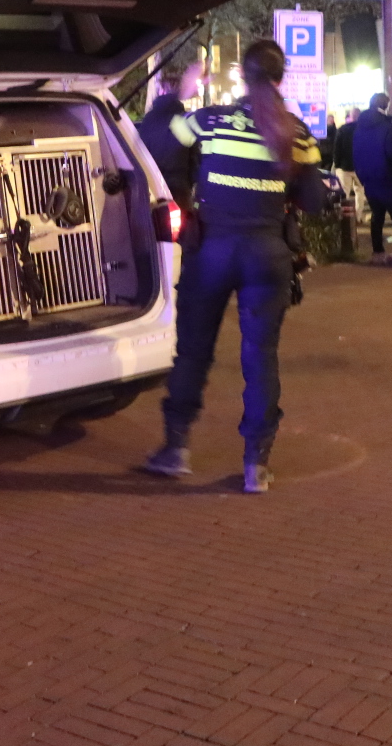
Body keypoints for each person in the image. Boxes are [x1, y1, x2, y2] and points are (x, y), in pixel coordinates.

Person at [145, 40, 328, 492]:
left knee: (194, 351)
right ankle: (256, 466)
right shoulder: (297, 134)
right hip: (267, 256)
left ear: (242, 77)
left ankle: (176, 449)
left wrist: (175, 96)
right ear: (280, 78)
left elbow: (159, 142)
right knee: (260, 357)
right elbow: (317, 201)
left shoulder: (209, 120)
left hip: (213, 251)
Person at [139, 59, 203, 209]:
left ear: (161, 90)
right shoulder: (183, 120)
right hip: (180, 191)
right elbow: (195, 159)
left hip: (154, 190)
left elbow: (140, 153)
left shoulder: (149, 120)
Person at [352, 92, 392, 266]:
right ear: (386, 105)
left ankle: (378, 253)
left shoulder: (360, 127)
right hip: (386, 177)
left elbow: (356, 153)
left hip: (369, 178)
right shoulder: (389, 126)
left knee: (377, 216)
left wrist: (362, 175)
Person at [331, 108, 361, 213]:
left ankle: (345, 217)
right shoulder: (363, 129)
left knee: (344, 193)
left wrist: (337, 164)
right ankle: (358, 216)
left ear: (350, 116)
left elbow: (336, 149)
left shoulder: (342, 129)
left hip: (344, 167)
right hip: (360, 167)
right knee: (360, 192)